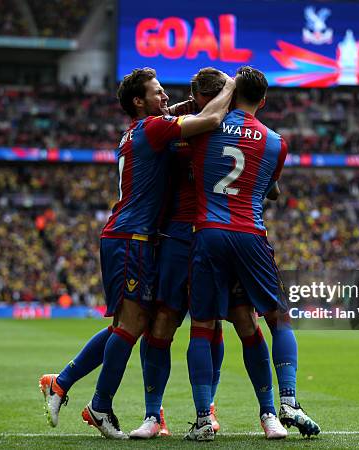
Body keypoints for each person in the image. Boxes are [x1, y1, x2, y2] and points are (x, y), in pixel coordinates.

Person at [39, 67, 235, 439]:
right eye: (157, 92)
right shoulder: (154, 129)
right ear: (138, 101)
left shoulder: (136, 130)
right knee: (131, 327)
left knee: (128, 325)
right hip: (133, 239)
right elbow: (211, 117)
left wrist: (181, 103)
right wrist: (231, 86)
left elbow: (173, 111)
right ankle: (99, 406)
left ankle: (61, 383)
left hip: (130, 236)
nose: (166, 98)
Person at [185, 66, 291, 441]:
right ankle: (275, 412)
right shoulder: (276, 141)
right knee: (263, 322)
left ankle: (202, 419)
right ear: (262, 100)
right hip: (249, 235)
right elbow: (271, 189)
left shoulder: (204, 126)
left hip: (208, 233)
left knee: (202, 327)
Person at [129, 67, 228, 439]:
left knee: (209, 324)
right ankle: (153, 415)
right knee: (161, 324)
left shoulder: (229, 128)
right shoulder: (175, 127)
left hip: (211, 236)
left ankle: (209, 409)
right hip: (173, 236)